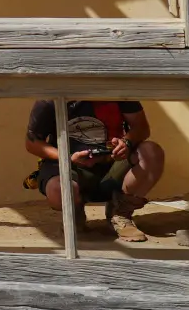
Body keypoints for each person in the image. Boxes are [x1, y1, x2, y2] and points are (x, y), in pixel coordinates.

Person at [25, 98, 165, 242]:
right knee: (58, 189)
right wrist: (67, 157)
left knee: (151, 153)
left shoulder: (119, 92)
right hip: (71, 168)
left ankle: (120, 213)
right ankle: (75, 215)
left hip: (112, 166)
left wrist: (127, 142)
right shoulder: (51, 99)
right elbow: (32, 143)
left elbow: (141, 128)